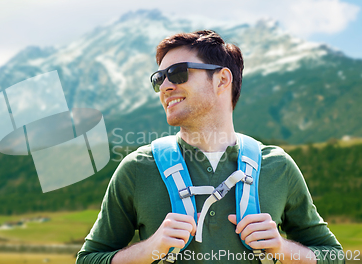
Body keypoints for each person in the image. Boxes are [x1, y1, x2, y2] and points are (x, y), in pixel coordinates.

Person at [76, 30, 343, 264]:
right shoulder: (137, 168)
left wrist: (283, 249)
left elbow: (333, 255)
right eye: (159, 79)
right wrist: (147, 250)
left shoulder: (278, 166)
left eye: (177, 73)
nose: (165, 86)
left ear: (222, 80)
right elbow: (88, 259)